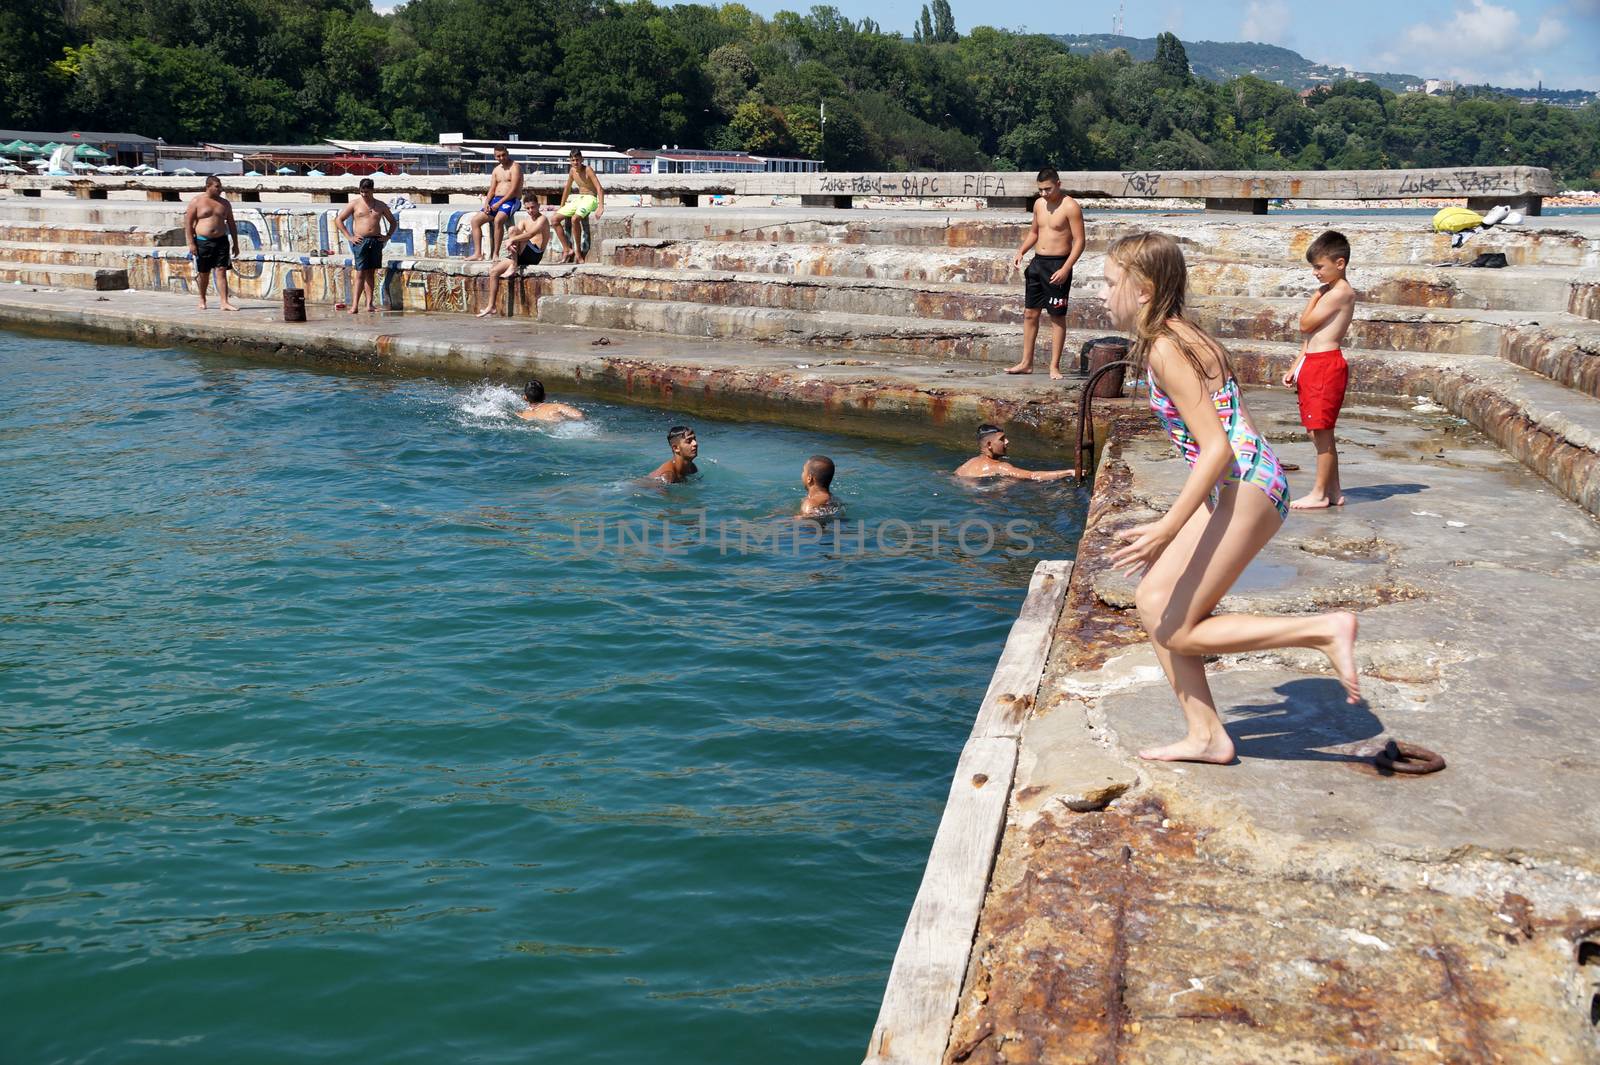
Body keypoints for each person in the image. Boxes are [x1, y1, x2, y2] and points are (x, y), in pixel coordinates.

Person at [1101, 231, 1359, 765]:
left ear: (1144, 290)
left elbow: (1217, 447)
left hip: (1246, 485)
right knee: (1153, 604)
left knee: (1178, 626)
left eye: (1108, 284)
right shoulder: (1183, 336)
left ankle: (1321, 631)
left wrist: (1166, 528)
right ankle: (1206, 735)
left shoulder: (1167, 349)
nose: (1101, 296)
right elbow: (1229, 431)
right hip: (1242, 483)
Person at [1281, 231, 1355, 510]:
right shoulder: (1330, 291)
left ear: (1340, 263)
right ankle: (1333, 490)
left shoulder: (1340, 292)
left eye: (1319, 267)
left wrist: (1314, 296)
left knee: (1321, 432)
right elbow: (1312, 336)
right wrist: (1296, 365)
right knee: (1317, 432)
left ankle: (1320, 493)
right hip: (1313, 363)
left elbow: (1305, 324)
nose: (1315, 273)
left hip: (1326, 365)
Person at [1006, 168, 1085, 379]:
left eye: (1047, 189)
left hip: (1058, 265)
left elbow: (1079, 241)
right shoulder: (1039, 204)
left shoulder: (1070, 206)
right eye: (1040, 190)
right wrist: (1021, 251)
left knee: (1056, 316)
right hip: (1037, 263)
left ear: (1058, 184)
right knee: (1030, 313)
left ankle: (1054, 366)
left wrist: (1066, 268)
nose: (1043, 194)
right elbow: (1035, 232)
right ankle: (1026, 363)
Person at [476, 193, 551, 317]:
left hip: (535, 254)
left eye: (533, 207)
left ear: (538, 206)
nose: (530, 211)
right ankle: (491, 306)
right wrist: (512, 241)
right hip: (522, 254)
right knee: (494, 271)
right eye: (527, 208)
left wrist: (511, 239)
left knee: (512, 230)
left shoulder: (542, 219)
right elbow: (516, 234)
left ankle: (514, 265)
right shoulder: (524, 221)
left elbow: (530, 234)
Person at [336, 177, 397, 315]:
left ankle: (369, 304)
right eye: (362, 191)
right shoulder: (355, 204)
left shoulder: (380, 205)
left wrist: (387, 236)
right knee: (360, 273)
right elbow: (339, 220)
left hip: (376, 241)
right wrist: (349, 237)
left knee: (371, 273)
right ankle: (355, 306)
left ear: (372, 190)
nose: (364, 194)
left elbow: (393, 221)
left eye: (367, 192)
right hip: (360, 241)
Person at [184, 175, 240, 312]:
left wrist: (236, 243)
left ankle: (224, 302)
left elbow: (231, 223)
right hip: (203, 241)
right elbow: (188, 224)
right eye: (217, 187)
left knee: (221, 270)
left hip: (221, 240)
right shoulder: (197, 201)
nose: (220, 189)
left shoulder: (225, 203)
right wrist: (191, 243)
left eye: (220, 186)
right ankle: (202, 298)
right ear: (208, 186)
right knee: (204, 273)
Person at [954, 425, 1076, 480]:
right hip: (985, 500)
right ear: (989, 445)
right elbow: (1033, 476)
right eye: (1002, 439)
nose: (1007, 442)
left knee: (1008, 482)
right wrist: (1068, 472)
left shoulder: (967, 464)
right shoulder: (1000, 467)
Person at [465, 145, 523, 261]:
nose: (501, 158)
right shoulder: (496, 170)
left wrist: (499, 203)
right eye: (498, 156)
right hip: (496, 200)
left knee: (498, 220)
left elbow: (514, 189)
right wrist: (487, 203)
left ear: (507, 153)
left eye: (503, 155)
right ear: (495, 156)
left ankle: (495, 254)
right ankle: (478, 254)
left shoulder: (515, 167)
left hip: (511, 200)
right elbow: (492, 189)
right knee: (475, 221)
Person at [555, 148, 605, 264]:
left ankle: (578, 252)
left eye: (577, 160)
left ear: (582, 159)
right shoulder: (572, 171)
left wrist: (600, 206)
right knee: (554, 219)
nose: (575, 162)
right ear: (570, 161)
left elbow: (599, 188)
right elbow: (567, 188)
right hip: (579, 198)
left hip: (591, 198)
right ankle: (567, 249)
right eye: (572, 160)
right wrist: (562, 205)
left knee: (575, 219)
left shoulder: (588, 170)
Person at [516, 380, 584, 423]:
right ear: (545, 396)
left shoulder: (523, 415)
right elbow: (579, 415)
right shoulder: (556, 407)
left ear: (525, 398)